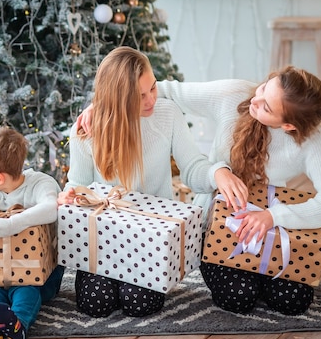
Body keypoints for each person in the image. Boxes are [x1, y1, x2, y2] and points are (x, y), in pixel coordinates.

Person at [80, 65, 321, 315]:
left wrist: (273, 216)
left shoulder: (309, 138)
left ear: (289, 125)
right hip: (218, 227)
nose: (255, 100)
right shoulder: (233, 94)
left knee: (293, 301)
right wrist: (101, 106)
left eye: (267, 107)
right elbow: (157, 90)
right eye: (265, 87)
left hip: (271, 231)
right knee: (239, 296)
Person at [61, 46, 248, 319]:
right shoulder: (86, 131)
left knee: (140, 304)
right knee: (95, 303)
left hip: (152, 239)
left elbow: (193, 166)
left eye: (153, 88)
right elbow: (77, 183)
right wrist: (68, 196)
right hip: (104, 238)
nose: (150, 100)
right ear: (118, 99)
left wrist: (217, 172)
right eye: (140, 96)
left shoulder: (167, 113)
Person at [0, 127, 64, 339]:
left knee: (26, 290)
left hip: (43, 274)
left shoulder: (40, 183)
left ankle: (19, 324)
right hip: (0, 269)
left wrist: (11, 225)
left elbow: (50, 208)